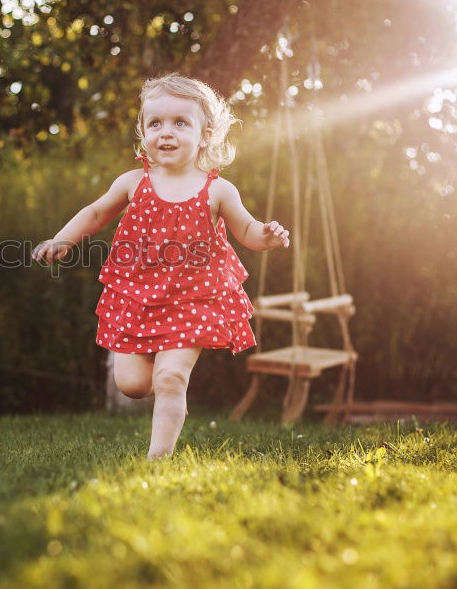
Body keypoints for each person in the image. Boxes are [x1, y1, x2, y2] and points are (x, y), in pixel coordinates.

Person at [32, 73, 290, 461]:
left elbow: (247, 230)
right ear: (143, 132)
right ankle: (171, 395)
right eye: (155, 123)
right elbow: (96, 212)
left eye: (180, 123)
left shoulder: (218, 189)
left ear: (205, 134)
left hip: (194, 298)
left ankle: (158, 460)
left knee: (170, 377)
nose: (166, 133)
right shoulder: (134, 182)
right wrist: (62, 239)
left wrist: (265, 235)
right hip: (138, 296)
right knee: (134, 384)